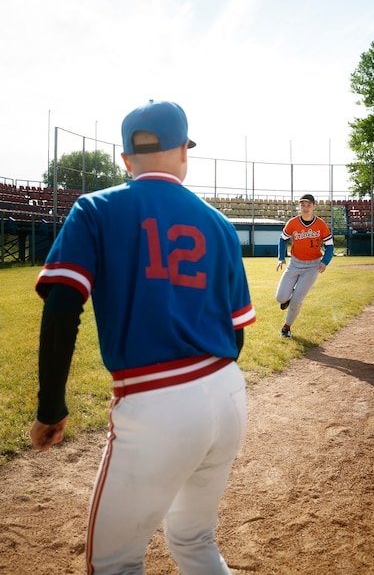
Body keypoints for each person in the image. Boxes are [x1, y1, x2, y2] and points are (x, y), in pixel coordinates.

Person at [30, 99, 256, 575]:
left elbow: (63, 305)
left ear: (126, 159)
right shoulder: (218, 224)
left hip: (157, 402)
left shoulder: (95, 207)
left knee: (113, 563)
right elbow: (236, 335)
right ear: (182, 153)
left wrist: (51, 407)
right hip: (228, 394)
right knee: (195, 538)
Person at [275, 194, 334, 339]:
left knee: (296, 301)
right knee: (280, 297)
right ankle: (289, 296)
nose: (305, 208)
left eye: (309, 205)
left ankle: (286, 328)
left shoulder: (320, 224)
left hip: (312, 266)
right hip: (294, 263)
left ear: (314, 206)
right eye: (303, 205)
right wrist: (281, 258)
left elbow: (329, 245)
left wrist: (324, 261)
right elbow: (282, 240)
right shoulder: (292, 222)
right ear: (299, 207)